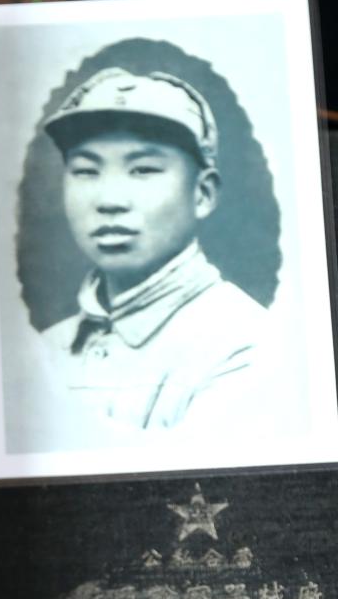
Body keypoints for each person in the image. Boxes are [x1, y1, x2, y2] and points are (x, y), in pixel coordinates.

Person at [41, 66, 269, 432]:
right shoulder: (44, 349)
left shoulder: (247, 346)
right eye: (86, 171)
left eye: (143, 169)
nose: (110, 200)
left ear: (202, 193)